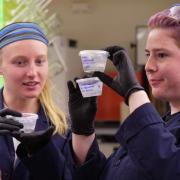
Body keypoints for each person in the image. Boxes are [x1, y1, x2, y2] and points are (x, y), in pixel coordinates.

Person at [67, 4, 180, 180]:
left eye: (162, 55)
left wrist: (134, 92)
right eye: (148, 54)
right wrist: (83, 132)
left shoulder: (151, 130)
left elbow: (168, 170)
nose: (148, 66)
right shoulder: (160, 125)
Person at [0, 22, 73, 180]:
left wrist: (43, 154)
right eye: (20, 62)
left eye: (39, 61)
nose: (32, 72)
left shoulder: (62, 129)